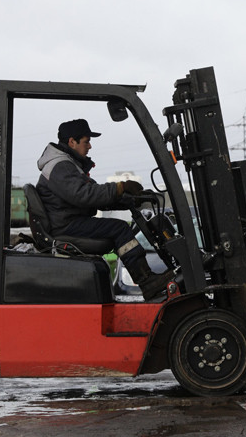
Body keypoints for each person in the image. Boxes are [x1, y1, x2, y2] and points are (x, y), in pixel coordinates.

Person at [36, 118, 174, 300]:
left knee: (122, 228)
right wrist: (120, 187)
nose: (90, 146)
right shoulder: (60, 166)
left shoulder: (68, 165)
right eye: (86, 141)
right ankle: (147, 281)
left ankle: (147, 280)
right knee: (120, 229)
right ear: (72, 142)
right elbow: (84, 195)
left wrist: (127, 200)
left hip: (67, 220)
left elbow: (92, 194)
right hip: (65, 224)